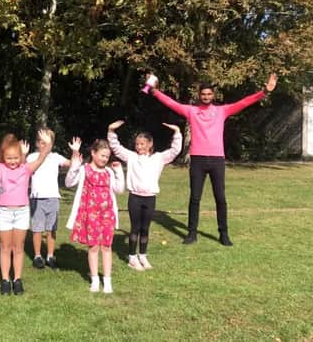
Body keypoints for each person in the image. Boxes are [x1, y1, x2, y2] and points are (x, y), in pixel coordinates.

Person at [148, 73, 277, 245]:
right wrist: (155, 92)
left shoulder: (222, 111)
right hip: (198, 160)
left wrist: (264, 92)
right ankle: (191, 234)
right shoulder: (191, 111)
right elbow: (172, 103)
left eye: (209, 94)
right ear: (199, 96)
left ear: (213, 95)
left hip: (217, 160)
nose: (206, 97)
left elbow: (244, 103)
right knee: (195, 198)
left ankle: (224, 234)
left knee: (220, 198)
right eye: (203, 94)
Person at [0, 128, 52, 295]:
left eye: (16, 158)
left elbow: (41, 157)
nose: (12, 161)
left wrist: (47, 143)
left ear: (21, 157)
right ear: (4, 157)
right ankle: (4, 279)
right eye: (9, 158)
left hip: (21, 213)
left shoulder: (26, 169)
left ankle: (17, 279)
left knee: (18, 248)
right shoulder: (0, 168)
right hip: (4, 213)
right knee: (5, 247)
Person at [107, 120, 181, 270]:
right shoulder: (131, 157)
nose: (139, 147)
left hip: (150, 198)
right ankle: (132, 258)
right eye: (137, 144)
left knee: (145, 229)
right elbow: (116, 147)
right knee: (135, 228)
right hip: (135, 197)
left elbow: (174, 151)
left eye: (142, 144)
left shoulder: (159, 158)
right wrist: (111, 131)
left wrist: (177, 133)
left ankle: (143, 256)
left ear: (150, 144)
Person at [65, 139, 125, 294]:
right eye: (102, 155)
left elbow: (119, 190)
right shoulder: (84, 170)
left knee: (107, 247)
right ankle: (94, 280)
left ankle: (107, 281)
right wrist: (74, 166)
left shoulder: (109, 172)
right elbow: (68, 182)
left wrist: (119, 172)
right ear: (93, 153)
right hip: (90, 215)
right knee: (93, 247)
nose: (104, 159)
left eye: (107, 156)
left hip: (107, 215)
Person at [26, 129, 77, 270]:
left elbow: (72, 164)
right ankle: (37, 256)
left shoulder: (55, 157)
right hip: (37, 198)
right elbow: (23, 168)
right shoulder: (32, 157)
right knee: (37, 229)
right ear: (37, 143)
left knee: (51, 229)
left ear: (52, 144)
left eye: (47, 142)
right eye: (42, 142)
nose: (44, 145)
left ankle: (50, 255)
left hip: (53, 197)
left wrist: (74, 151)